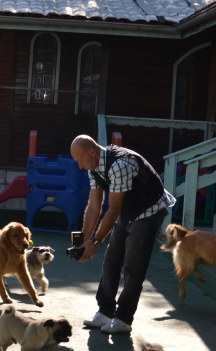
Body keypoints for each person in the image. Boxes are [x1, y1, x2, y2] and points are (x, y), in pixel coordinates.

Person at [70, 135, 175, 334]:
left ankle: (124, 318)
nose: (80, 166)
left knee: (133, 265)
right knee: (111, 259)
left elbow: (114, 209)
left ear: (92, 152)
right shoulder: (94, 168)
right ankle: (105, 312)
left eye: (80, 161)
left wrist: (96, 241)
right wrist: (84, 239)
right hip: (127, 210)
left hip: (149, 209)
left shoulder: (120, 164)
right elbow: (94, 206)